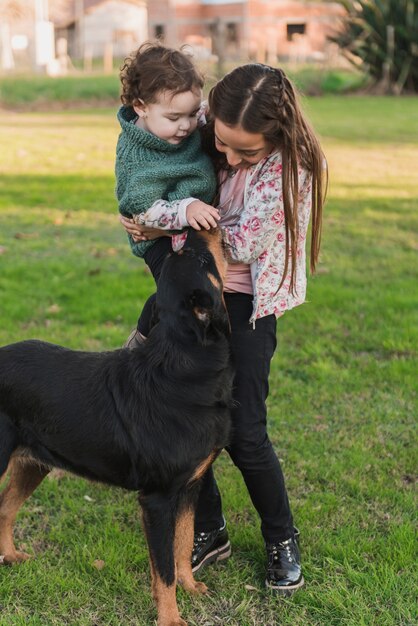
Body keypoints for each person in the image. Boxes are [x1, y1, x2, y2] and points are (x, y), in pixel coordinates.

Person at [121, 63, 327, 594]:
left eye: (246, 154)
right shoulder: (205, 120)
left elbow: (235, 241)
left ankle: (281, 536)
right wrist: (146, 202)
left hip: (245, 307)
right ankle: (208, 529)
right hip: (192, 297)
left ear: (275, 139)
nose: (228, 159)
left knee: (243, 430)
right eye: (223, 145)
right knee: (184, 414)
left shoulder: (292, 170)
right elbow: (146, 141)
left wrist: (161, 219)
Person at [115, 42, 220, 345]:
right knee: (182, 301)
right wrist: (185, 209)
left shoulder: (185, 123)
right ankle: (142, 347)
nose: (186, 126)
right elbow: (139, 206)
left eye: (192, 113)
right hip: (155, 239)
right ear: (141, 107)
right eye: (174, 118)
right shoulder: (136, 154)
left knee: (196, 302)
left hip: (193, 224)